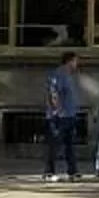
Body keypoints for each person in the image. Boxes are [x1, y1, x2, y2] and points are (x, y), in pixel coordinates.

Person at [41, 51, 85, 181]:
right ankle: (49, 172)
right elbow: (53, 93)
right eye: (75, 61)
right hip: (59, 116)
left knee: (70, 144)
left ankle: (73, 171)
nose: (77, 64)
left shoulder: (69, 76)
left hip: (70, 115)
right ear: (69, 61)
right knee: (54, 144)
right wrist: (57, 110)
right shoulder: (58, 74)